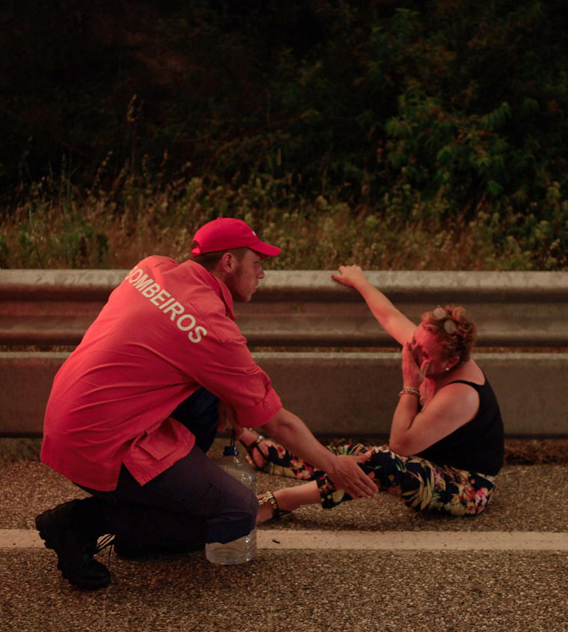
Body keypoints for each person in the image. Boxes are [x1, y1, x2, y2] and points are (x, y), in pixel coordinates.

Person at [36, 219, 378, 590]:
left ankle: (139, 536)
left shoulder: (150, 268)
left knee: (207, 398)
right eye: (257, 263)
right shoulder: (210, 328)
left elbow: (174, 350)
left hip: (68, 420)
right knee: (238, 513)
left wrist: (222, 395)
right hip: (103, 444)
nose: (262, 274)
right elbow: (276, 423)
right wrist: (334, 466)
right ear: (228, 263)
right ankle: (79, 523)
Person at [243, 265, 504, 523]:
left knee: (381, 461)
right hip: (427, 461)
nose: (413, 351)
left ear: (451, 361)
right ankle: (268, 454)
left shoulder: (461, 394)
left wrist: (410, 384)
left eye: (424, 354)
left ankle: (279, 501)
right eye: (414, 341)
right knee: (353, 454)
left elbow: (400, 446)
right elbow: (390, 317)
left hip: (465, 486)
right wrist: (361, 283)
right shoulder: (425, 346)